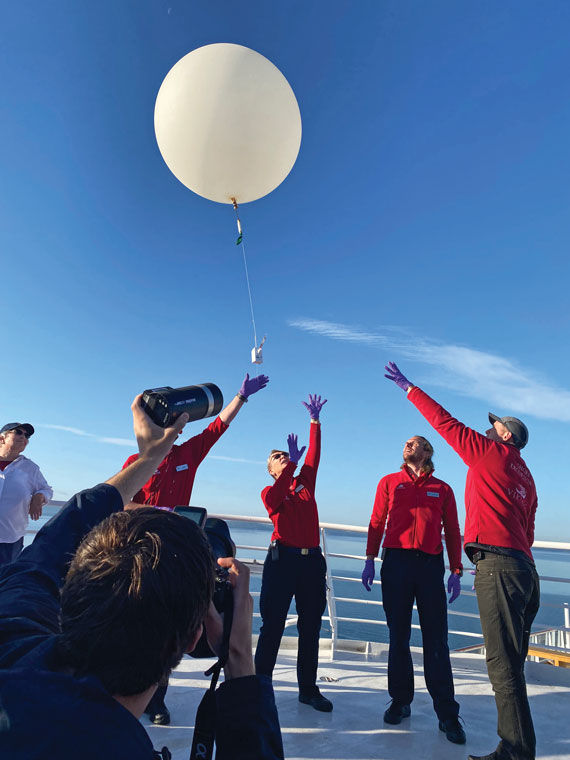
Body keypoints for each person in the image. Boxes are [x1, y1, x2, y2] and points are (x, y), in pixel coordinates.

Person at [0, 395, 283, 760]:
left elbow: (58, 539)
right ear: (194, 636)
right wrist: (239, 658)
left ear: (70, 598)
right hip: (162, 554)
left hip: (130, 551)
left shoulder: (12, 637)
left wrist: (237, 401)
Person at [385, 361, 539, 760]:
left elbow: (445, 423)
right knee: (512, 666)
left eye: (493, 425)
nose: (486, 428)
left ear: (505, 435)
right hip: (524, 569)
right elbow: (529, 527)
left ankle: (516, 751)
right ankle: (516, 745)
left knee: (502, 668)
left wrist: (409, 387)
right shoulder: (526, 476)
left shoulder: (491, 452)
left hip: (501, 567)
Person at [122, 372, 268, 723]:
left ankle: (157, 700)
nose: (178, 429)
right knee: (140, 623)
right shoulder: (137, 462)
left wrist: (241, 397)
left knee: (169, 624)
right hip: (144, 552)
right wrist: (158, 511)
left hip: (175, 551)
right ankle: (128, 690)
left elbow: (218, 427)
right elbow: (121, 503)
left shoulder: (188, 454)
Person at [361, 435, 466, 744]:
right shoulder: (390, 482)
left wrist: (456, 569)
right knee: (398, 636)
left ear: (427, 451)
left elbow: (453, 530)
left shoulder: (443, 488)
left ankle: (447, 714)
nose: (407, 445)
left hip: (430, 565)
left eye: (415, 442)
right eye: (405, 442)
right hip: (396, 563)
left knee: (437, 639)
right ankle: (400, 700)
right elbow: (376, 521)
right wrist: (369, 559)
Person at [255, 394, 333, 713]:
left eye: (285, 454)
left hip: (311, 561)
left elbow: (314, 456)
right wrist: (291, 467)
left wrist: (314, 421)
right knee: (272, 625)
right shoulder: (270, 491)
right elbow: (274, 502)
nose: (284, 456)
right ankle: (260, 688)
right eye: (277, 456)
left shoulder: (305, 484)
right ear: (271, 469)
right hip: (282, 560)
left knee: (310, 626)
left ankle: (308, 689)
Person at [0, 422, 53, 566]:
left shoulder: (30, 468)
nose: (23, 437)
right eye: (18, 432)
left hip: (10, 541)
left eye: (27, 435)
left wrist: (38, 497)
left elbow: (47, 490)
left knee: (4, 584)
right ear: (2, 439)